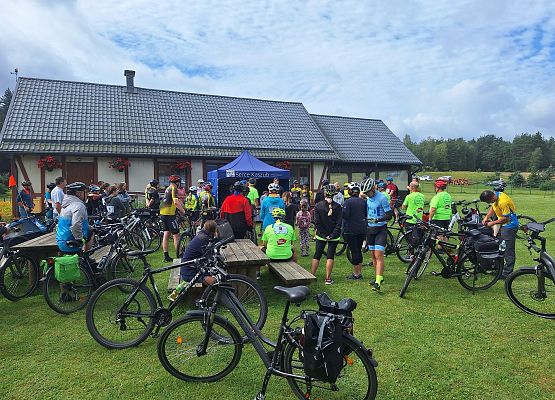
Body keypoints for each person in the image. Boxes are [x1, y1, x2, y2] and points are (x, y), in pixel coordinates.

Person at [480, 189, 518, 279]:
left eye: (489, 201)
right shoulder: (496, 195)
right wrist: (487, 217)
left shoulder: (503, 202)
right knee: (499, 246)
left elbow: (506, 219)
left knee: (508, 250)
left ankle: (507, 273)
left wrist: (491, 223)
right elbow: (493, 207)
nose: (489, 203)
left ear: (492, 197)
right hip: (502, 225)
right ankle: (498, 269)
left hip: (509, 226)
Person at [363, 177, 393, 291]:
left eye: (368, 192)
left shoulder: (382, 198)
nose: (367, 194)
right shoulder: (367, 198)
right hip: (370, 230)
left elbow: (389, 215)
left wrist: (378, 219)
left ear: (373, 188)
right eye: (365, 193)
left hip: (381, 229)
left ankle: (378, 282)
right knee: (373, 256)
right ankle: (378, 277)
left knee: (378, 255)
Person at [311, 184, 343, 285]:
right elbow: (339, 224)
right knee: (330, 256)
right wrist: (332, 235)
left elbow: (317, 223)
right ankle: (328, 278)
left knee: (317, 254)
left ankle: (311, 276)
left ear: (325, 193)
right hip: (334, 235)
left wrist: (324, 235)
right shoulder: (338, 207)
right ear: (334, 195)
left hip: (321, 234)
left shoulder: (318, 206)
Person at [56, 182, 92, 254]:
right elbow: (76, 224)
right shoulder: (79, 206)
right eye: (86, 192)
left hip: (61, 240)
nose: (87, 194)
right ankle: (86, 256)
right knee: (91, 233)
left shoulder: (66, 204)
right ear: (79, 193)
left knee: (89, 229)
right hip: (71, 243)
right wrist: (79, 239)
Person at [343, 182, 367, 280]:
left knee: (354, 251)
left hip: (351, 229)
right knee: (358, 250)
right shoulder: (363, 201)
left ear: (351, 191)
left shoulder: (348, 202)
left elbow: (345, 215)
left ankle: (356, 274)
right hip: (362, 229)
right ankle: (359, 272)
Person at [160, 175, 186, 262]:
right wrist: (183, 212)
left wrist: (184, 207)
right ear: (177, 183)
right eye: (179, 183)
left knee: (166, 234)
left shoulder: (169, 188)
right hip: (169, 215)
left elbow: (177, 200)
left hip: (163, 213)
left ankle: (166, 256)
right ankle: (180, 255)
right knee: (176, 235)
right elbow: (175, 202)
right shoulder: (174, 188)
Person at [402, 181, 426, 248]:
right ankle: (419, 250)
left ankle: (411, 253)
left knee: (410, 238)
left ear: (411, 187)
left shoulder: (409, 196)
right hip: (419, 219)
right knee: (418, 236)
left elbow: (403, 207)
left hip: (410, 219)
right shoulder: (422, 196)